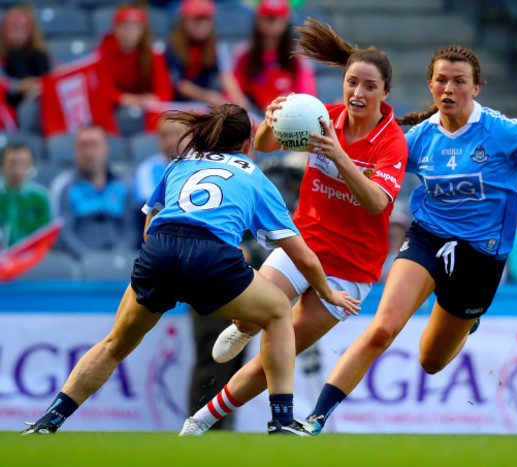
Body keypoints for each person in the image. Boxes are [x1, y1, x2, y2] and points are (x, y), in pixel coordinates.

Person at [21, 103, 358, 436]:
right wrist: (328, 292)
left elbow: (149, 225)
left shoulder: (182, 163)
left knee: (114, 344)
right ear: (247, 144)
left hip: (160, 250)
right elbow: (305, 257)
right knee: (277, 313)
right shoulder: (253, 175)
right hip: (211, 256)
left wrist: (172, 267)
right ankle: (282, 420)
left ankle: (48, 421)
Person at [302, 44, 517, 435]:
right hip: (427, 239)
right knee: (381, 328)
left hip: (482, 257)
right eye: (441, 80)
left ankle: (468, 320)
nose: (449, 89)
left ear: (476, 88)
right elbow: (373, 173)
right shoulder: (417, 138)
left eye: (459, 82)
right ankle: (316, 418)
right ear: (430, 85)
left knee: (430, 361)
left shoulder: (503, 132)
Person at [178, 18, 408, 436]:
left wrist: (340, 157)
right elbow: (264, 146)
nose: (358, 93)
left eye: (369, 87)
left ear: (385, 93)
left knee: (274, 357)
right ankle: (243, 326)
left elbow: (378, 202)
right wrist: (269, 120)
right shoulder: (321, 117)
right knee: (258, 317)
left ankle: (201, 420)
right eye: (352, 82)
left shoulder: (391, 142)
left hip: (350, 269)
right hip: (303, 246)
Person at [50, 125, 135, 259]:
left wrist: (119, 256)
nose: (89, 152)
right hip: (81, 263)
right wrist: (89, 260)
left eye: (94, 145)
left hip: (120, 260)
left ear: (106, 149)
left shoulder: (124, 185)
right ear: (76, 150)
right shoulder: (65, 186)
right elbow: (65, 233)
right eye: (83, 145)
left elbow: (131, 230)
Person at [232, 0, 316, 112]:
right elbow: (233, 92)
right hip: (253, 116)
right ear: (258, 20)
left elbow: (307, 96)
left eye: (276, 18)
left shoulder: (298, 57)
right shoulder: (243, 53)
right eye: (267, 17)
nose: (271, 23)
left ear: (286, 22)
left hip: (289, 116)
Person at [165, 0, 250, 109]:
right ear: (184, 21)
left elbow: (225, 75)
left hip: (203, 105)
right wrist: (208, 96)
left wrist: (237, 96)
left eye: (206, 19)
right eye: (197, 19)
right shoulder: (173, 45)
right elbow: (180, 85)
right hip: (177, 104)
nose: (202, 24)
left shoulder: (215, 44)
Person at [97, 3, 173, 111]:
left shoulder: (153, 54)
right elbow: (103, 90)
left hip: (146, 109)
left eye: (135, 27)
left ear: (142, 31)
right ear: (116, 28)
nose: (129, 32)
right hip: (114, 109)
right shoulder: (103, 51)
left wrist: (154, 98)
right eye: (125, 26)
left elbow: (165, 90)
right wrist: (130, 99)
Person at [0, 142, 51, 248]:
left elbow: (46, 236)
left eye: (23, 164)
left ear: (31, 165)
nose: (17, 170)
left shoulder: (41, 197)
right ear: (2, 165)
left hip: (31, 257)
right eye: (12, 164)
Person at [0, 3, 50, 109]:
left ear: (30, 31)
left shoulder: (40, 56)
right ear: (4, 30)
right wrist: (20, 86)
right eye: (13, 27)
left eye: (22, 28)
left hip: (38, 99)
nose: (17, 33)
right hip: (12, 107)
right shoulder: (5, 58)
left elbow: (49, 77)